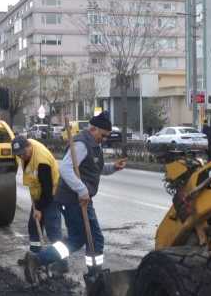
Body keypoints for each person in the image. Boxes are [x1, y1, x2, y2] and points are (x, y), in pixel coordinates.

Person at [24, 111, 126, 280]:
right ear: (94, 129)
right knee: (91, 238)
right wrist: (82, 190)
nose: (105, 138)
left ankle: (40, 260)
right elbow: (65, 169)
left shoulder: (94, 144)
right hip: (73, 199)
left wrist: (114, 167)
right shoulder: (81, 145)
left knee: (80, 239)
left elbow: (95, 169)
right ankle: (93, 275)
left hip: (80, 198)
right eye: (103, 135)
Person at [10, 136, 64, 279]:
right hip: (38, 195)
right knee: (33, 226)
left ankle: (62, 262)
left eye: (23, 153)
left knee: (53, 231)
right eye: (19, 154)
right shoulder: (25, 151)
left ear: (29, 146)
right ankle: (35, 258)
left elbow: (47, 192)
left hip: (52, 195)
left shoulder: (42, 162)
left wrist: (39, 210)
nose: (21, 156)